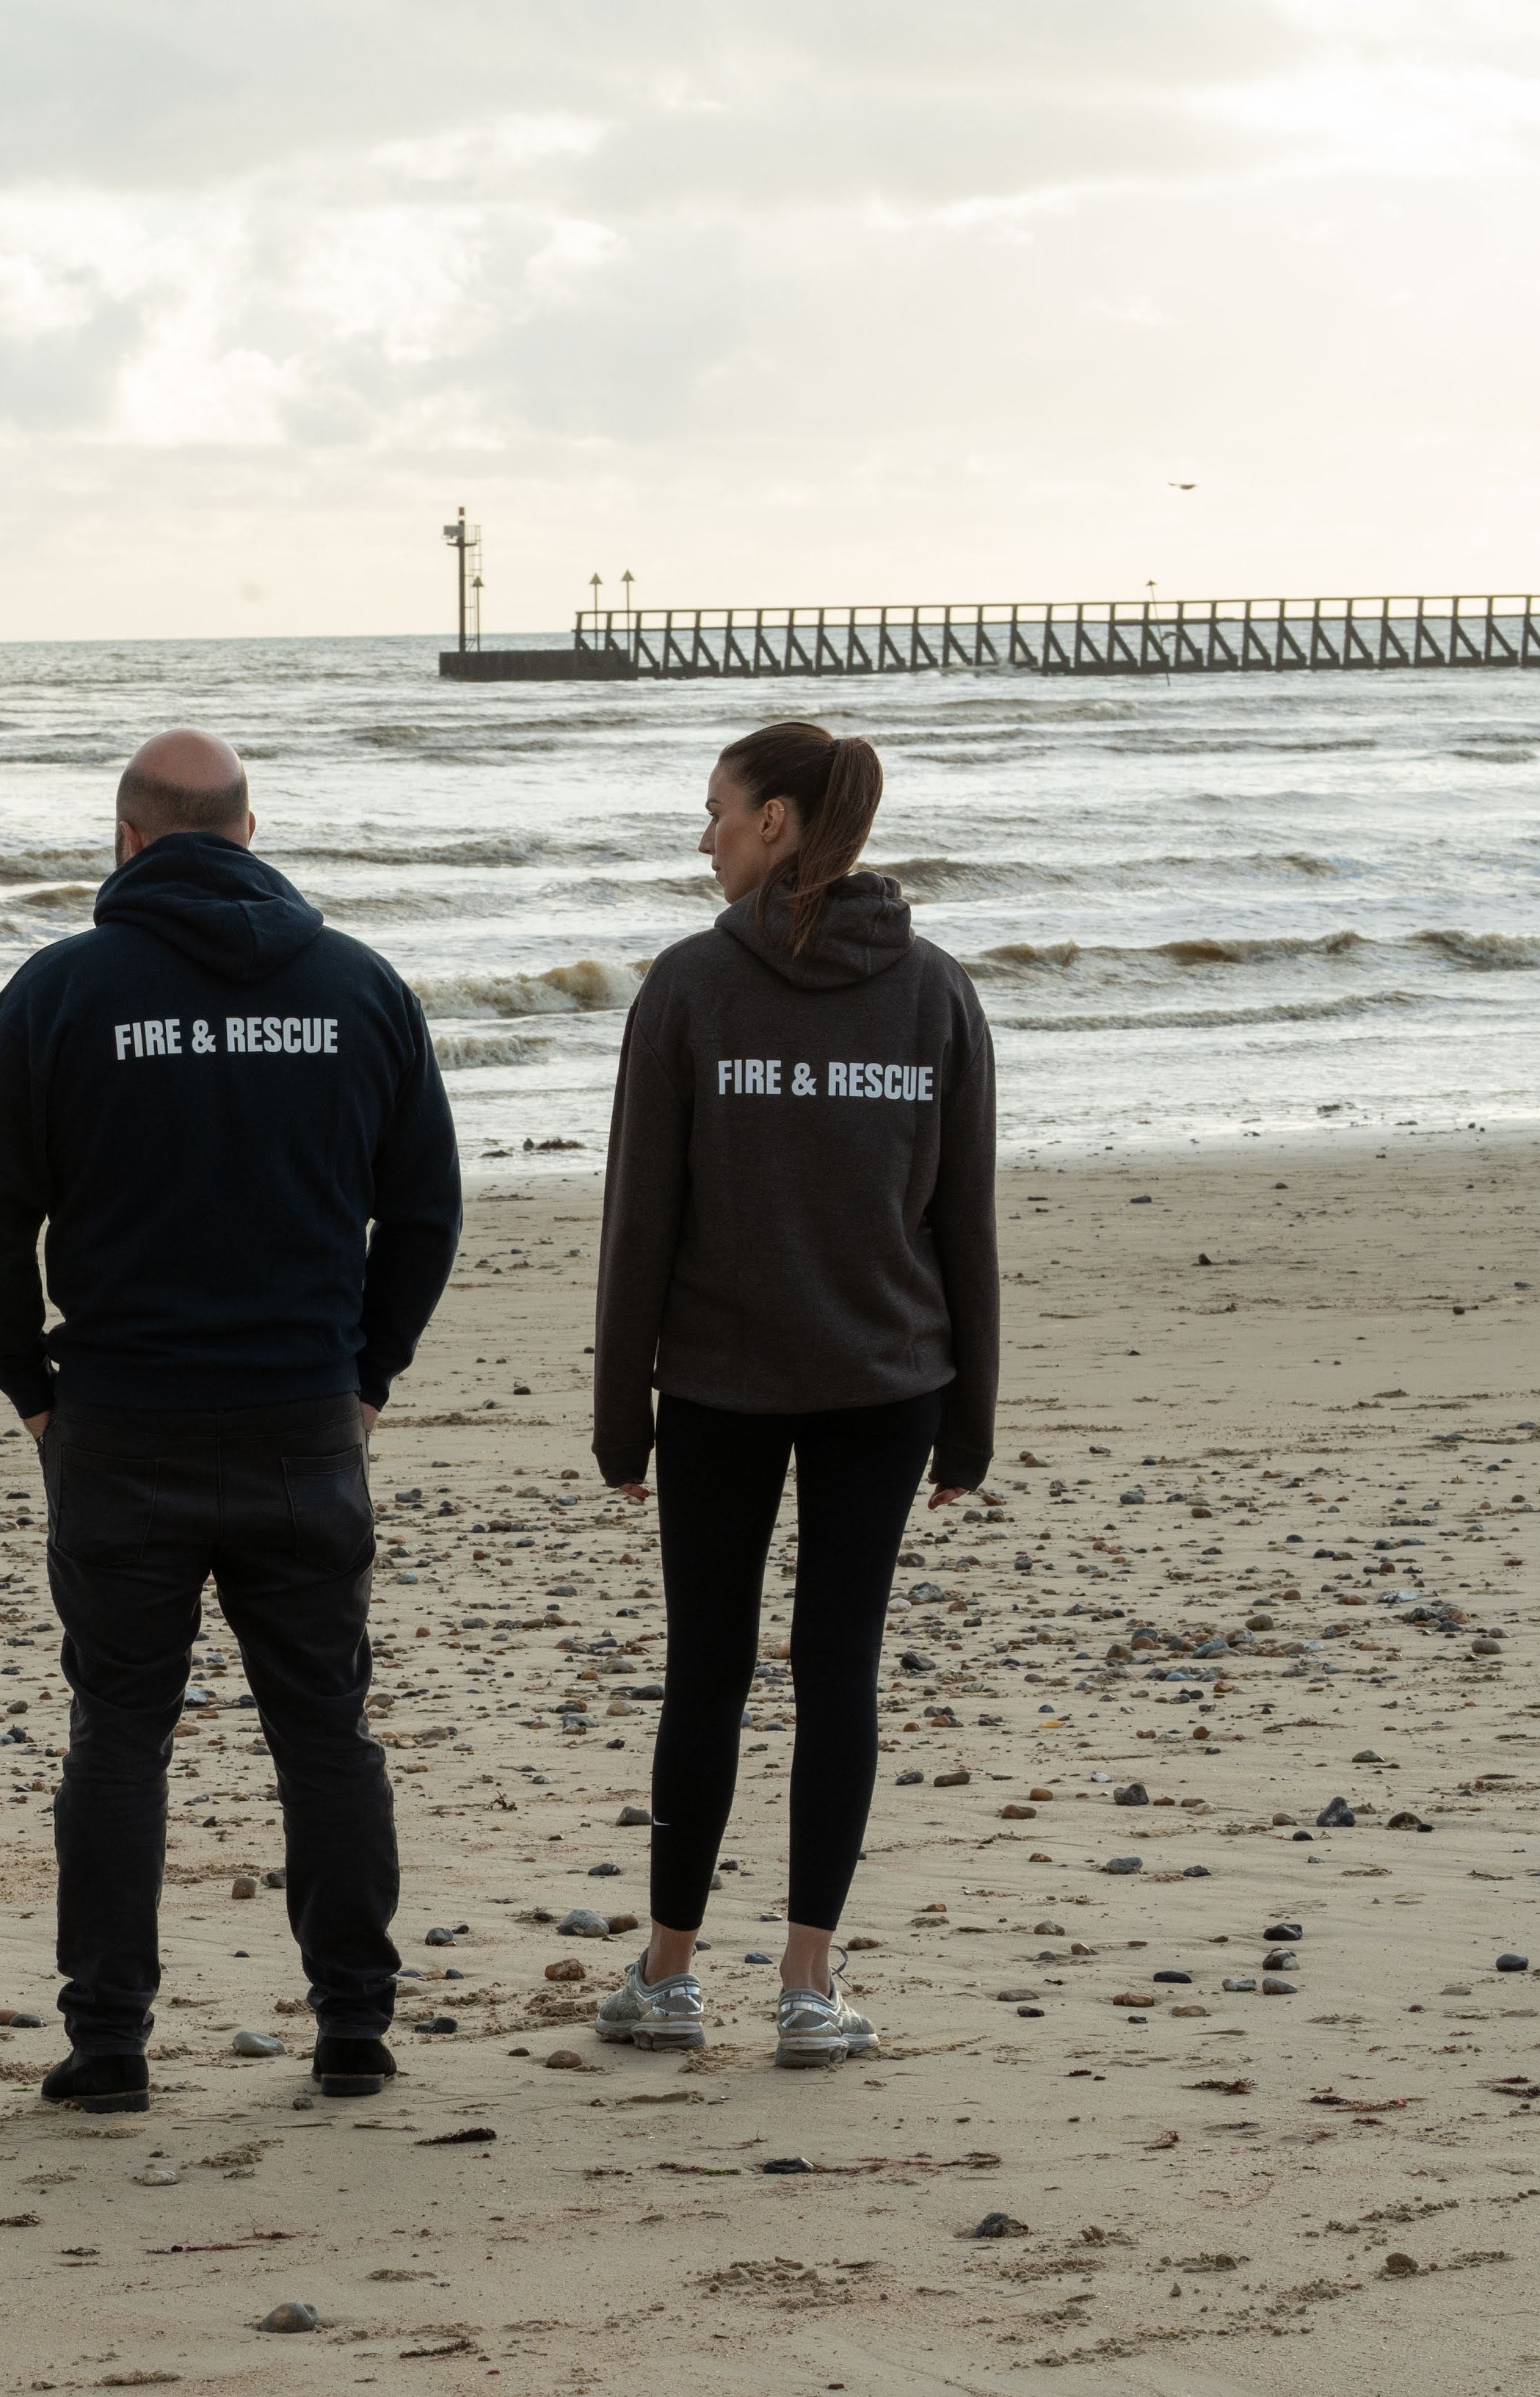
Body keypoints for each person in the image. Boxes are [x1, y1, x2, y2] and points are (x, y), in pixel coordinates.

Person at [0, 728, 463, 2113]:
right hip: (298, 1414)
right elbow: (424, 1208)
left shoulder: (62, 990)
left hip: (124, 1418)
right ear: (248, 832)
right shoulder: (357, 987)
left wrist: (29, 1387)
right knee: (323, 1728)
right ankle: (352, 2025)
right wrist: (366, 1374)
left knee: (119, 1732)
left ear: (125, 840)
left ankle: (109, 2040)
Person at [584, 722, 997, 2069]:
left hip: (725, 1383)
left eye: (714, 809)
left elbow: (638, 1219)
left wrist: (621, 1410)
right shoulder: (932, 989)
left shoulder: (692, 984)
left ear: (773, 821)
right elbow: (963, 1226)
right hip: (888, 1380)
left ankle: (667, 1975)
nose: (700, 835)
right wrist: (969, 1416)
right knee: (837, 1673)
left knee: (706, 1671)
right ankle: (806, 1989)